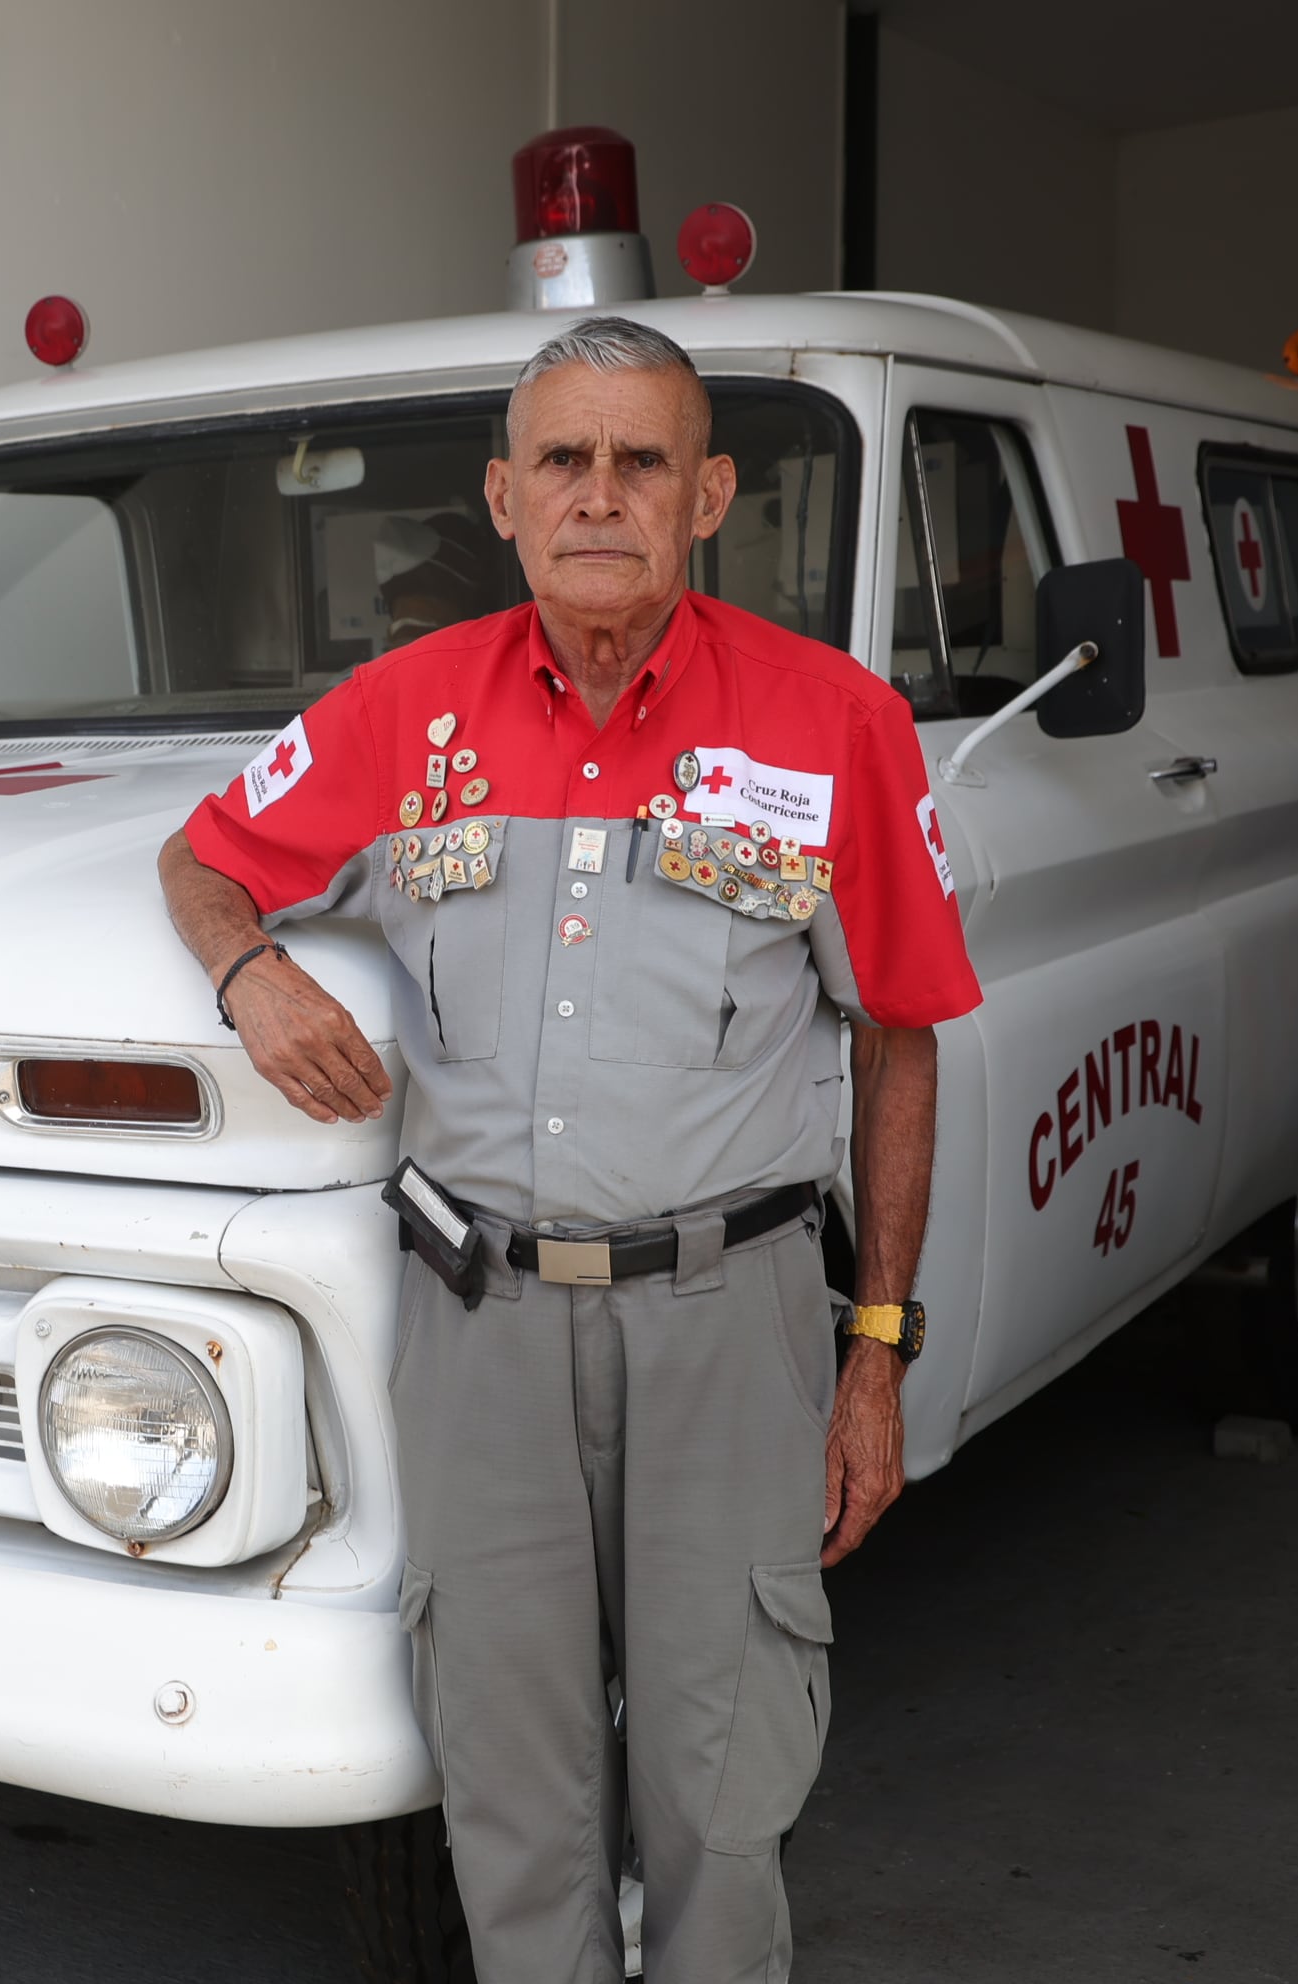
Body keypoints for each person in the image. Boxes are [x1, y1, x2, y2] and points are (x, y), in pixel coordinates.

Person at [157, 315, 979, 1980]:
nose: (600, 494)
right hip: (481, 1333)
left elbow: (901, 1034)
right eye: (563, 460)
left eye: (642, 461)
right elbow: (201, 858)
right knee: (508, 1791)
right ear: (506, 496)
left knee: (721, 1782)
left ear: (708, 497)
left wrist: (875, 1349)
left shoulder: (837, 725)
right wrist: (252, 975)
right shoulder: (404, 715)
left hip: (729, 1325)